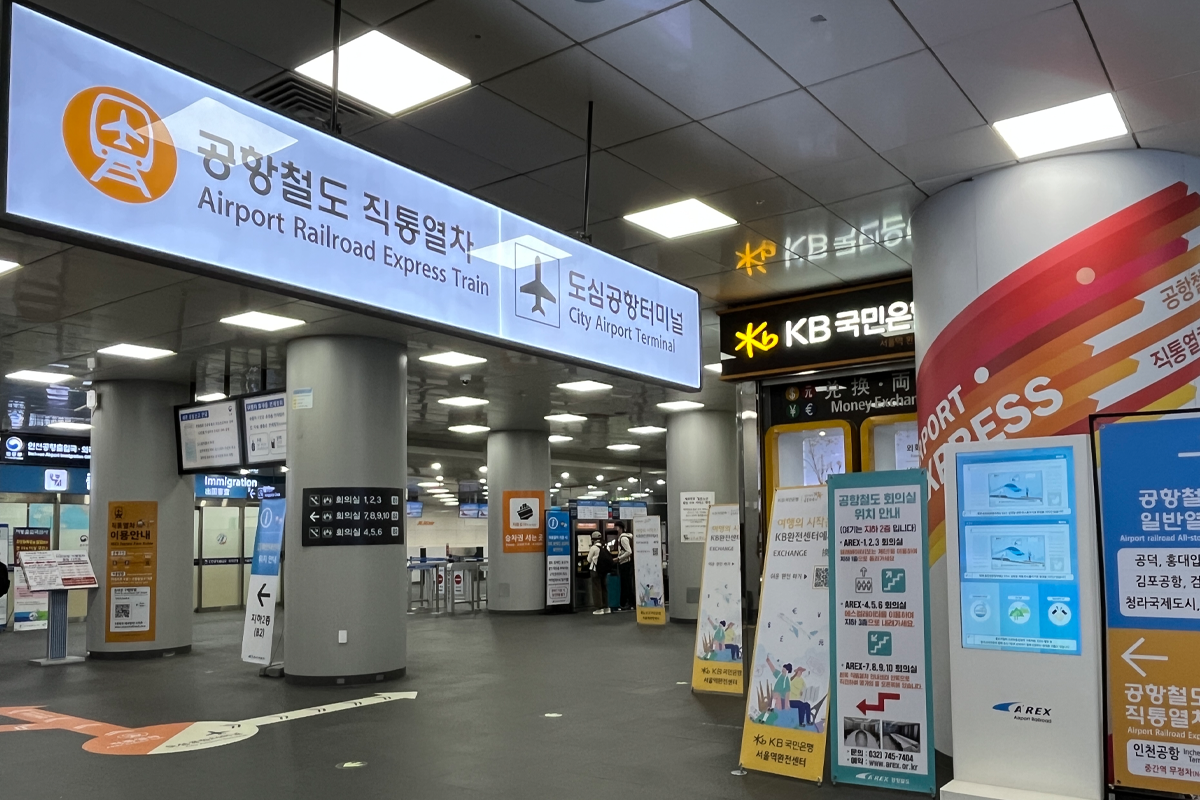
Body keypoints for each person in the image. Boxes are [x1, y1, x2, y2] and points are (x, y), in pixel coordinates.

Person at [588, 533, 614, 615]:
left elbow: (588, 559)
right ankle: (606, 607)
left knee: (596, 589)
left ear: (593, 539)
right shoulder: (606, 547)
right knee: (604, 587)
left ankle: (599, 608)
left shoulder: (593, 548)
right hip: (604, 570)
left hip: (596, 570)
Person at [617, 525, 634, 611]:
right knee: (627, 584)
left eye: (617, 528)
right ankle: (629, 603)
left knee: (625, 584)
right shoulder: (626, 537)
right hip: (626, 563)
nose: (616, 530)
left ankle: (626, 603)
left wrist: (619, 558)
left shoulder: (623, 538)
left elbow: (629, 551)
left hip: (625, 563)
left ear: (621, 528)